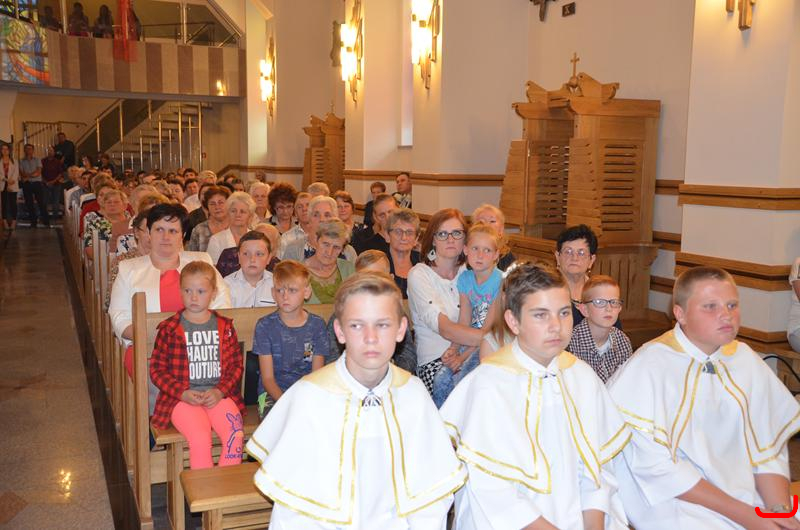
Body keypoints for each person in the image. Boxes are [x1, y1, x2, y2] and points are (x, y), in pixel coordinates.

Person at [245, 273, 466, 528]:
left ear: (401, 329)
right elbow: (293, 511)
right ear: (339, 331)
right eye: (357, 325)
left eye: (382, 324)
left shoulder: (413, 396)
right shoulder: (310, 398)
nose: (371, 337)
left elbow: (431, 497)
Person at [441, 262, 630, 530]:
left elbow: (598, 472)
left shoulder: (582, 377)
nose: (556, 326)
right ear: (513, 321)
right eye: (540, 315)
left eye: (564, 313)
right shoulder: (489, 385)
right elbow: (493, 493)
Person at [610, 267, 800, 530]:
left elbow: (767, 447)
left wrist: (778, 511)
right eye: (710, 306)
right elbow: (656, 469)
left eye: (732, 305)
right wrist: (747, 516)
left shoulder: (745, 359)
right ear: (680, 314)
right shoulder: (650, 365)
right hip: (675, 502)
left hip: (744, 492)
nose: (726, 315)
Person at [108, 203, 231, 413]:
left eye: (173, 231)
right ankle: (160, 421)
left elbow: (223, 305)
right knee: (159, 380)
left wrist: (195, 338)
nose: (165, 237)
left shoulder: (201, 261)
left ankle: (203, 422)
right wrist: (156, 338)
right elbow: (119, 316)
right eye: (159, 229)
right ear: (149, 233)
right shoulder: (129, 269)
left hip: (201, 348)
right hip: (149, 351)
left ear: (182, 235)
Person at [149, 261, 245, 470]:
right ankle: (205, 489)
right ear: (180, 291)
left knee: (235, 434)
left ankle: (225, 487)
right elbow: (157, 370)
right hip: (182, 400)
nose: (193, 297)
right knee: (200, 438)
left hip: (218, 396)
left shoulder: (225, 327)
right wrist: (181, 393)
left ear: (213, 292)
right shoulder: (170, 328)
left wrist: (220, 391)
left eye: (201, 291)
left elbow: (236, 366)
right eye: (188, 291)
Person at [407, 208, 484, 393]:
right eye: (442, 234)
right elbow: (445, 329)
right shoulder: (419, 274)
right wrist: (492, 338)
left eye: (456, 233)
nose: (450, 239)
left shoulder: (471, 272)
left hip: (472, 353)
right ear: (433, 239)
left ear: (465, 238)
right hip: (436, 360)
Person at [432, 223, 503, 407]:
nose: (480, 255)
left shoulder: (501, 281)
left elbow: (487, 332)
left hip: (492, 344)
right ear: (465, 250)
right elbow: (464, 321)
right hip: (470, 340)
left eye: (487, 250)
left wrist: (461, 358)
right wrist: (453, 349)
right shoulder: (465, 279)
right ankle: (441, 422)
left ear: (496, 254)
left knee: (463, 381)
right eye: (475, 249)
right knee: (440, 380)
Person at [252, 260, 328, 419]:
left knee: (321, 419)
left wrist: (302, 402)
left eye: (292, 290)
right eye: (280, 290)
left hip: (306, 392)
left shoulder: (317, 326)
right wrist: (288, 404)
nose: (285, 296)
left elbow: (316, 375)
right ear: (273, 293)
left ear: (306, 292)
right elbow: (267, 379)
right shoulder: (264, 326)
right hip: (270, 395)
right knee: (278, 422)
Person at [324, 250, 418, 373]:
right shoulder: (341, 314)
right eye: (364, 277)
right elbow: (331, 357)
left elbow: (408, 356)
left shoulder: (396, 314)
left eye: (378, 276)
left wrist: (390, 374)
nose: (371, 283)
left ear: (391, 278)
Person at [567, 275, 632, 383]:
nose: (609, 308)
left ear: (619, 308)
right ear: (584, 310)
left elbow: (626, 382)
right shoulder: (571, 343)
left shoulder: (623, 341)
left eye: (614, 302)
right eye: (599, 302)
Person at [555, 224, 621, 330]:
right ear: (558, 257)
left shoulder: (601, 291)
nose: (574, 258)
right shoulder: (549, 291)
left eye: (581, 253)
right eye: (568, 251)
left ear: (591, 260)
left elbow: (615, 331)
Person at [282, 195, 357, 262]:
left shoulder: (348, 252)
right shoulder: (294, 249)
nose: (322, 219)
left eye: (327, 215)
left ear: (335, 219)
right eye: (316, 215)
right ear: (309, 219)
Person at [304, 219, 356, 304]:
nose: (329, 252)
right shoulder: (297, 272)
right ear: (316, 240)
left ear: (342, 249)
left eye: (336, 247)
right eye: (326, 244)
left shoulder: (349, 269)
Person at [223, 231, 275, 308]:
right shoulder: (226, 285)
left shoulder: (277, 283)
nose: (252, 259)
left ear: (269, 258)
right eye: (246, 254)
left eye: (259, 254)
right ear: (239, 257)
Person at [206, 191, 255, 264]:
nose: (237, 215)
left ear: (250, 216)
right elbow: (212, 268)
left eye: (242, 212)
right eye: (233, 211)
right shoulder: (216, 240)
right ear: (228, 213)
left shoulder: (256, 239)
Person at [83, 188, 130, 261]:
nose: (112, 204)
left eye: (116, 202)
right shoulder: (95, 224)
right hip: (106, 262)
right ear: (104, 206)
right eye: (108, 202)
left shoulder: (133, 222)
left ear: (125, 205)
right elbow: (90, 252)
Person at [383, 208, 420, 299]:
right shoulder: (378, 263)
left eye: (409, 232)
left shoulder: (423, 263)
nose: (404, 237)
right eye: (398, 231)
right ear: (387, 235)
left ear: (416, 239)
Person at [472, 203, 516, 271]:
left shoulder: (506, 256)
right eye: (481, 222)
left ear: (501, 230)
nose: (486, 225)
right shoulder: (468, 253)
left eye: (492, 221)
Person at [187, 186, 230, 253]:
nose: (217, 207)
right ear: (207, 207)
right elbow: (192, 256)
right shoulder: (199, 230)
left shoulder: (236, 227)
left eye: (220, 202)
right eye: (212, 204)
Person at [19, 143, 49, 228]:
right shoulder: (21, 161)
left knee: (41, 202)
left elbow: (38, 172)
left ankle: (46, 222)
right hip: (27, 184)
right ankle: (33, 222)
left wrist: (28, 176)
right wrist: (30, 175)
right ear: (24, 150)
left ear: (33, 150)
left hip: (37, 183)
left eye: (30, 149)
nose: (28, 150)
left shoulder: (37, 160)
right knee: (29, 203)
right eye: (27, 149)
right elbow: (22, 173)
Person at [278, 192, 311, 258]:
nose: (304, 209)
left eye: (308, 205)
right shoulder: (286, 238)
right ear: (295, 213)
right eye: (300, 207)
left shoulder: (324, 235)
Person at [0, 143, 19, 233]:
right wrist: (6, 180)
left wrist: (11, 182)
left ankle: (14, 222)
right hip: (2, 185)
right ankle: (4, 222)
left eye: (6, 149)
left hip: (12, 184)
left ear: (9, 150)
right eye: (3, 149)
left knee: (13, 204)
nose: (4, 151)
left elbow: (16, 173)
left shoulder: (14, 161)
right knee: (3, 204)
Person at [42, 145, 64, 217]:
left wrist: (53, 181)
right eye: (48, 151)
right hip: (45, 184)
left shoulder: (57, 162)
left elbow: (60, 173)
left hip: (56, 184)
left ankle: (55, 216)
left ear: (54, 152)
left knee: (56, 201)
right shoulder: (43, 161)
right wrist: (46, 182)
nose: (50, 152)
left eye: (51, 151)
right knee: (44, 200)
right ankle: (45, 216)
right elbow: (40, 173)